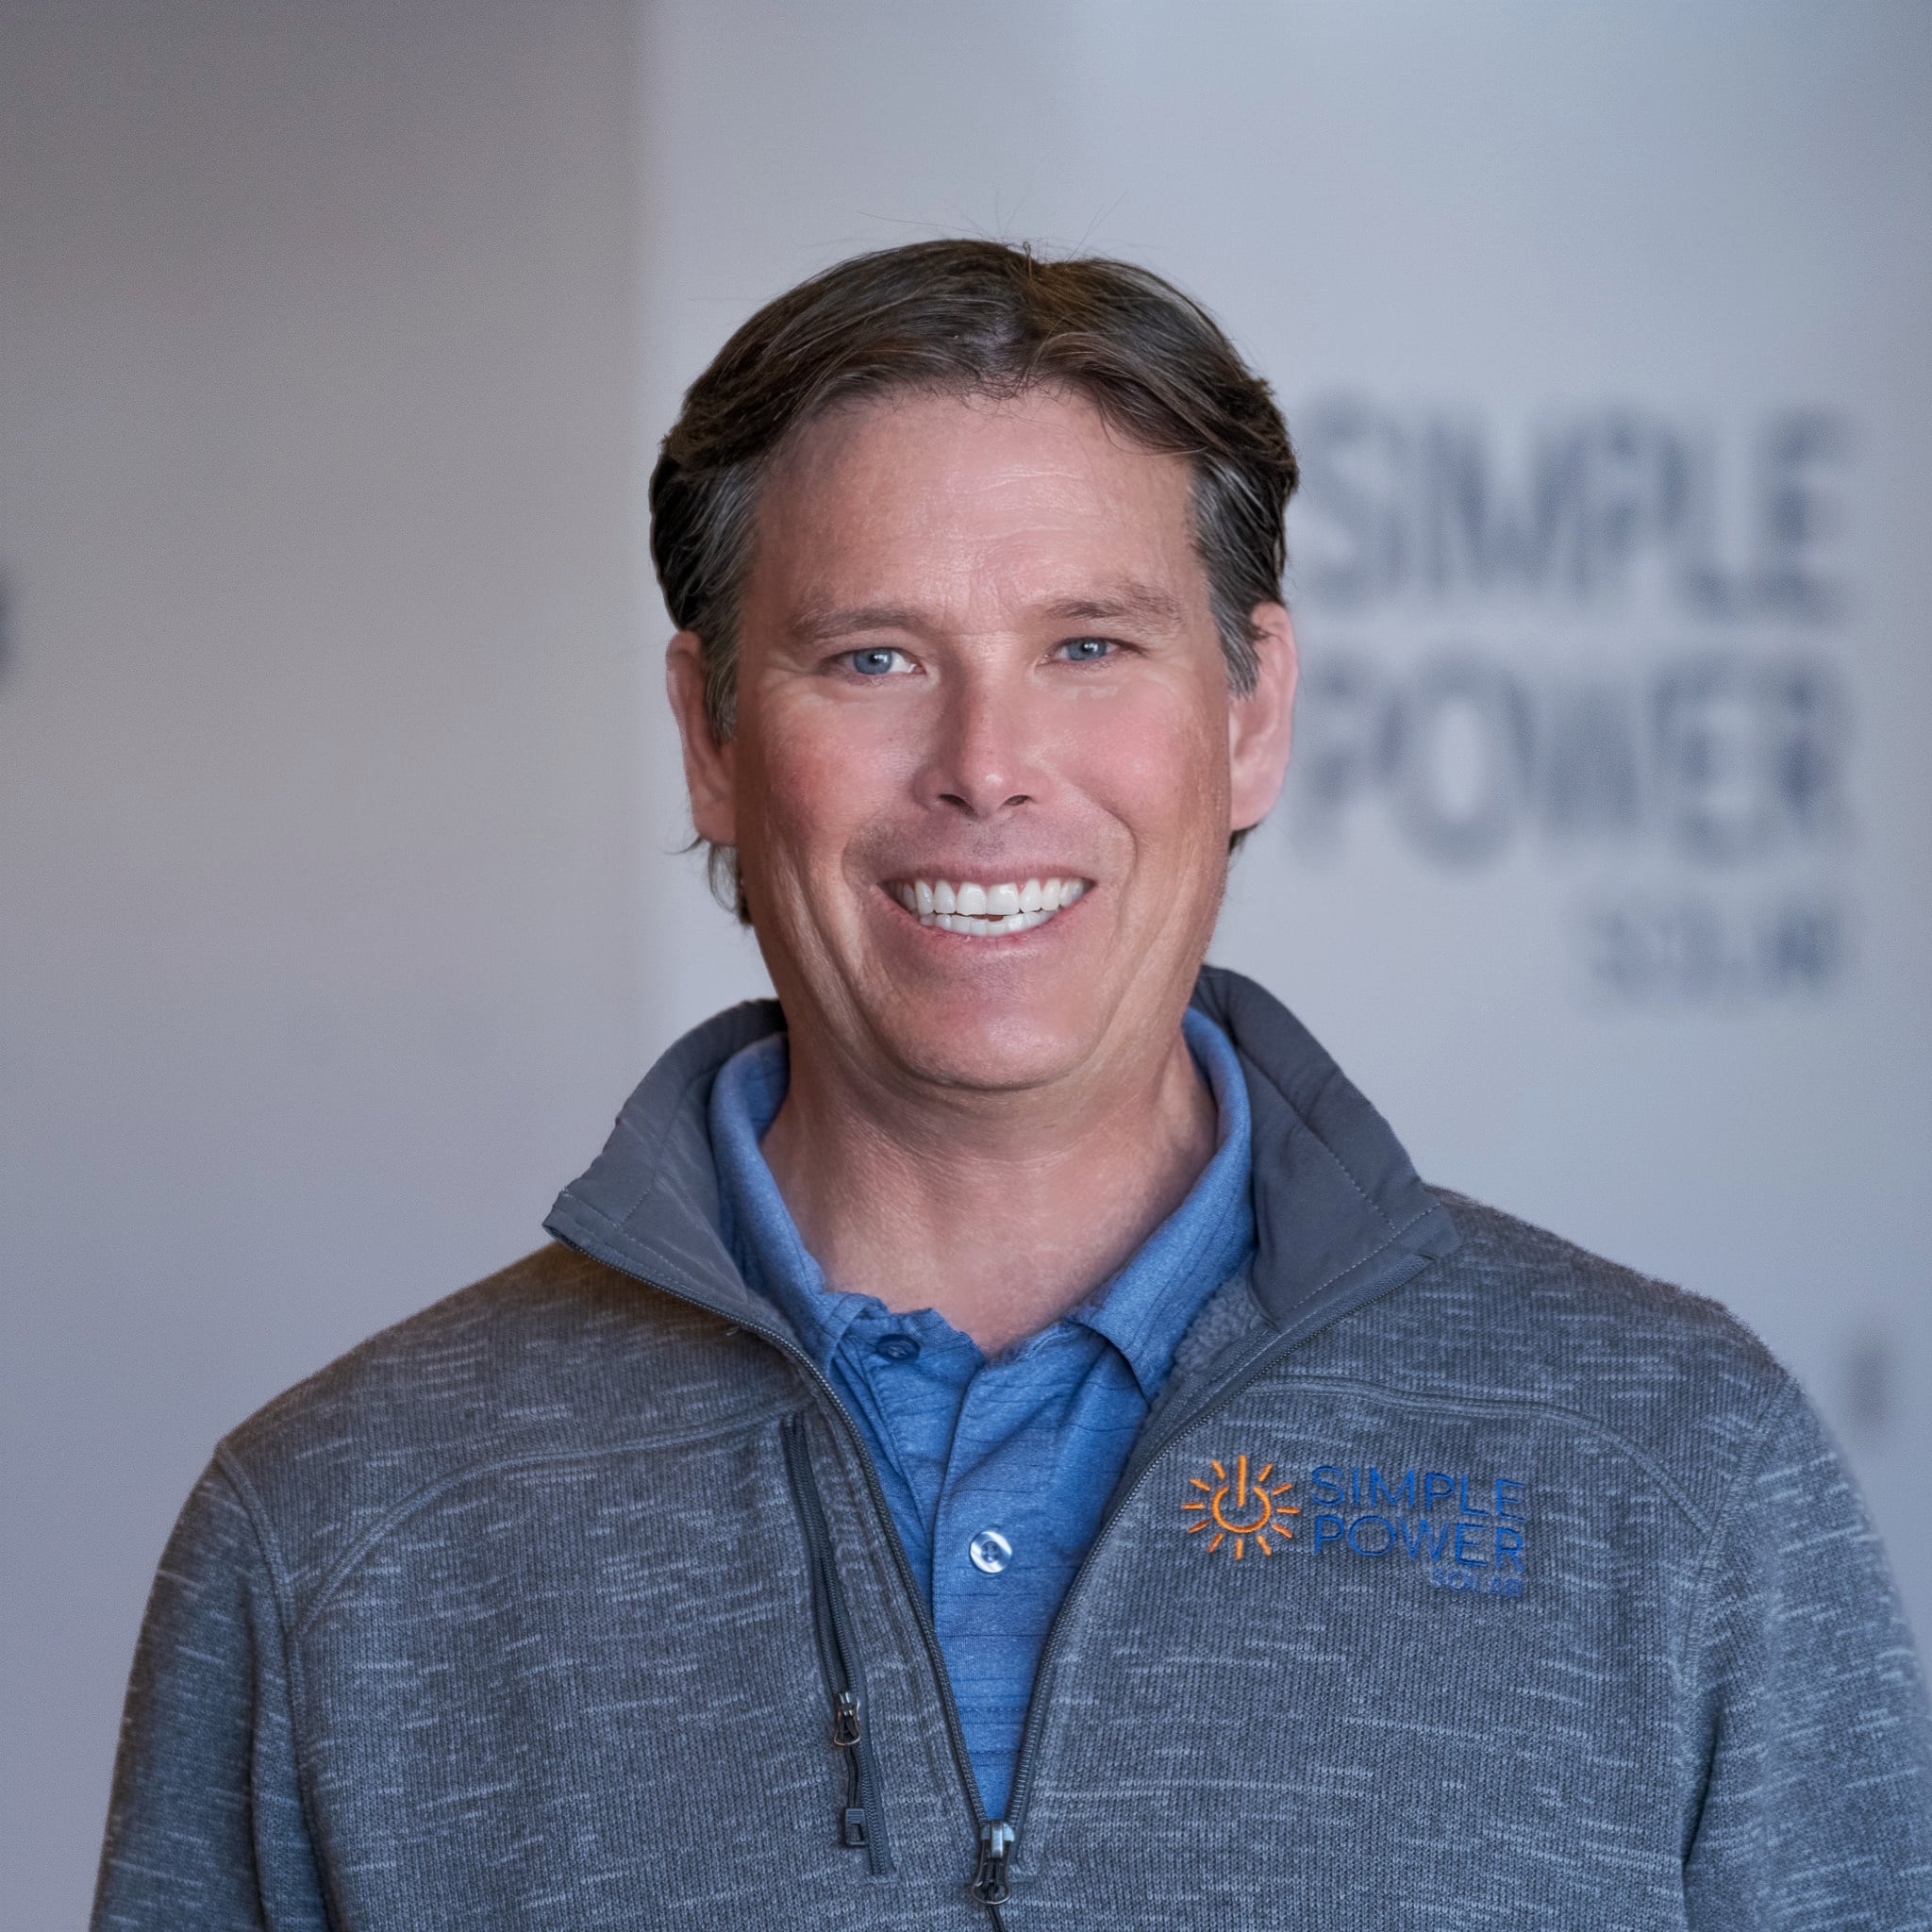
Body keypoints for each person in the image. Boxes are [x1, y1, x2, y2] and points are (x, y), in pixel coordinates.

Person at [94, 240, 1931, 1930]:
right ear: (711, 739)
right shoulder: (337, 1537)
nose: (986, 765)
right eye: (874, 657)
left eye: (1087, 647)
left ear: (1252, 713)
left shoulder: (1681, 1469)